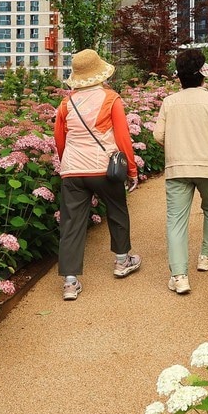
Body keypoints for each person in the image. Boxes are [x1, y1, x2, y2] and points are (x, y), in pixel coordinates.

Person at [53, 49, 141, 301]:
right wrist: (131, 170)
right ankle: (122, 261)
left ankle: (70, 282)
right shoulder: (111, 98)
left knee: (71, 223)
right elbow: (123, 137)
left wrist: (66, 164)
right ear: (100, 72)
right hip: (104, 168)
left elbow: (60, 139)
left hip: (73, 169)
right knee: (117, 210)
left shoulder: (65, 103)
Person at [152, 48, 208, 295]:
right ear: (202, 76)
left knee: (176, 221)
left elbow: (158, 135)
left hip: (178, 167)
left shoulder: (169, 102)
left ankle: (179, 277)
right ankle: (206, 256)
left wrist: (176, 146)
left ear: (179, 77)